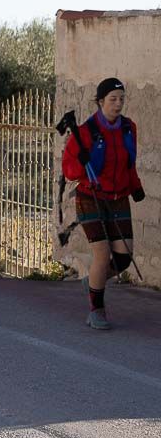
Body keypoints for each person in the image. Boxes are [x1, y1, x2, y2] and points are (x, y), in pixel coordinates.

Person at [61, 77, 146, 330]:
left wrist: (136, 187)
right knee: (102, 254)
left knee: (123, 258)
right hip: (91, 198)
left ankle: (94, 282)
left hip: (119, 198)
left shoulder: (128, 128)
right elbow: (69, 171)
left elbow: (128, 163)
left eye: (121, 99)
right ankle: (96, 310)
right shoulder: (85, 132)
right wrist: (81, 161)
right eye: (112, 99)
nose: (118, 104)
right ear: (100, 102)